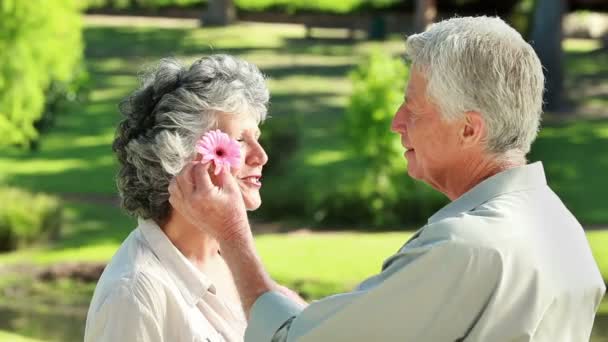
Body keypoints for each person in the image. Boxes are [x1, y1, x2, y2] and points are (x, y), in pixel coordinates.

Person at [168, 16, 606, 341]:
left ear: (469, 128)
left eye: (413, 109)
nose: (397, 122)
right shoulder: (560, 230)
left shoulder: (465, 247)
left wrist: (232, 234)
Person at [84, 54, 271, 342]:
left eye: (257, 137)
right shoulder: (135, 293)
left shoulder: (229, 262)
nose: (261, 156)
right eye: (239, 140)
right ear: (180, 156)